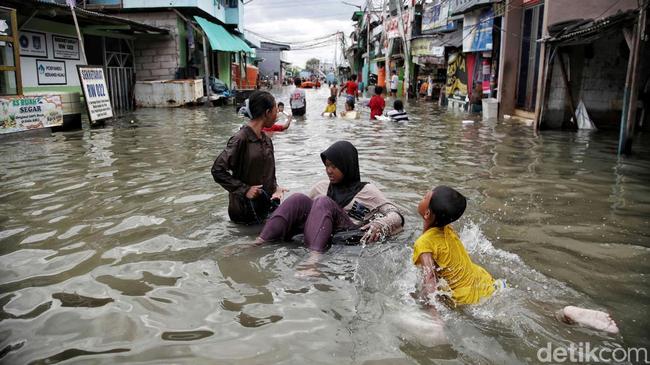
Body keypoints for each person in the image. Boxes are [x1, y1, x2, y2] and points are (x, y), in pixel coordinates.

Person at [413, 186, 619, 333]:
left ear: (427, 213)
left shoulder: (424, 244)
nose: (421, 198)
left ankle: (564, 315)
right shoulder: (448, 229)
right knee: (529, 305)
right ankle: (562, 313)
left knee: (517, 319)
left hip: (467, 297)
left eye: (424, 196)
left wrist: (432, 315)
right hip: (483, 281)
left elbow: (430, 279)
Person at [256, 140, 404, 252]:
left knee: (323, 202)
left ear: (347, 165)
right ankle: (259, 241)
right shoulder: (321, 187)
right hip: (318, 231)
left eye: (334, 166)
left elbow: (396, 214)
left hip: (346, 233)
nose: (329, 170)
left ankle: (313, 260)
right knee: (297, 199)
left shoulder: (367, 191)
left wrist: (378, 225)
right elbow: (302, 212)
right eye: (327, 165)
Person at [211, 91, 287, 224]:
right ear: (267, 112)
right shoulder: (240, 139)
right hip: (244, 211)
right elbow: (217, 170)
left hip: (264, 208)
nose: (277, 115)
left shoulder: (266, 140)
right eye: (276, 111)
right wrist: (245, 190)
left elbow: (268, 173)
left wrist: (276, 188)